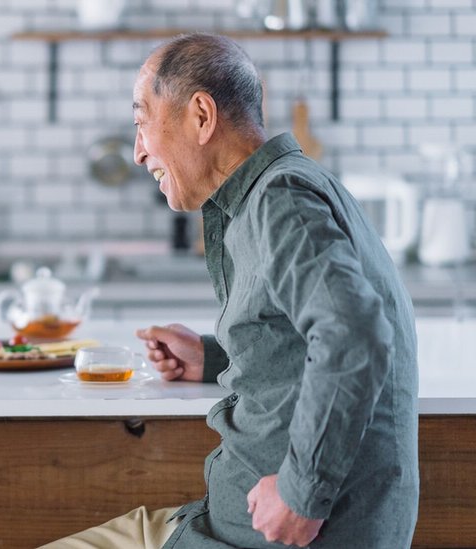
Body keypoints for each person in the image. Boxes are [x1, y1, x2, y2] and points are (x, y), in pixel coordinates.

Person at [41, 33, 418, 549]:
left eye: (141, 122)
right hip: (225, 527)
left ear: (200, 116)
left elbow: (356, 333)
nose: (136, 152)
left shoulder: (279, 200)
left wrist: (301, 494)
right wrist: (213, 357)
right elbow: (307, 342)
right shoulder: (278, 191)